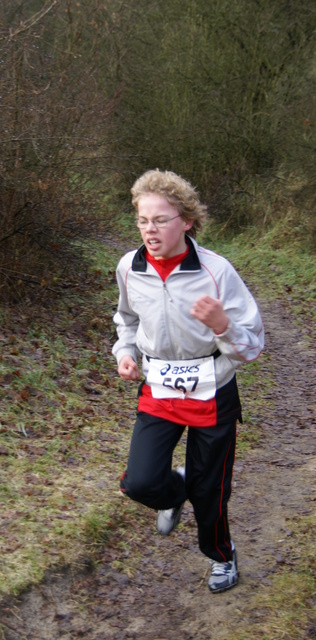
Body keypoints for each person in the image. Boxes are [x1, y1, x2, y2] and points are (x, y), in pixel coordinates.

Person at [112, 169, 264, 593]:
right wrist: (126, 353)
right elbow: (125, 320)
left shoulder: (216, 271)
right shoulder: (130, 267)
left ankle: (221, 555)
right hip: (158, 389)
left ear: (187, 221)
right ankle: (172, 490)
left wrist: (222, 327)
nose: (150, 229)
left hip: (212, 391)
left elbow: (251, 347)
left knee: (210, 490)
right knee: (140, 483)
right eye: (143, 220)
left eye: (160, 219)